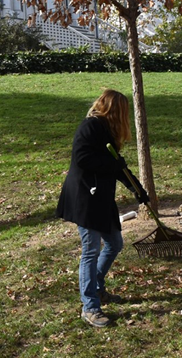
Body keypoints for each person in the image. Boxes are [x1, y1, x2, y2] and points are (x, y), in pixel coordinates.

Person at [57, 89, 148, 328]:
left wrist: (138, 190)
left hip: (101, 199)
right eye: (122, 111)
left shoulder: (107, 129)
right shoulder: (91, 126)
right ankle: (90, 307)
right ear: (112, 109)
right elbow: (82, 158)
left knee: (115, 243)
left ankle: (97, 289)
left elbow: (118, 168)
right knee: (90, 250)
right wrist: (113, 163)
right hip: (85, 197)